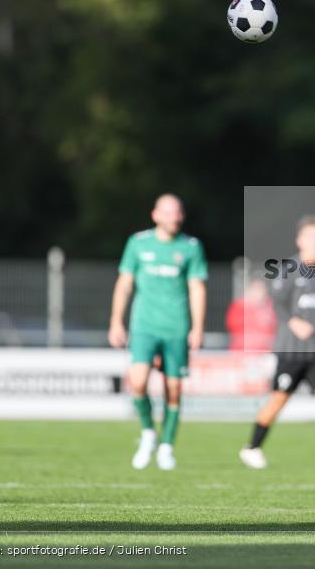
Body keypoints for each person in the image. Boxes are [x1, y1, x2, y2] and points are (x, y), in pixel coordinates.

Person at [239, 216, 315, 471]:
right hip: (292, 349)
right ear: (299, 240)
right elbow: (277, 302)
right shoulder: (289, 268)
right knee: (278, 400)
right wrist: (294, 322)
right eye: (310, 236)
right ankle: (251, 448)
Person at [108, 194, 208, 471]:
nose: (173, 217)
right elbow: (125, 283)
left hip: (176, 328)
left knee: (173, 391)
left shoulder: (190, 247)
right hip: (144, 327)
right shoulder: (138, 243)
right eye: (168, 212)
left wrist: (198, 327)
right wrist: (116, 321)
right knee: (137, 383)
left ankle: (167, 447)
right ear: (155, 215)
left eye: (177, 212)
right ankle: (148, 433)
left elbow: (197, 288)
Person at [226, 275, 277, 353]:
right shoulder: (239, 306)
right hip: (243, 351)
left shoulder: (270, 307)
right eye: (256, 289)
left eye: (261, 289)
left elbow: (276, 326)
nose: (258, 292)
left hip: (265, 352)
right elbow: (233, 326)